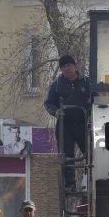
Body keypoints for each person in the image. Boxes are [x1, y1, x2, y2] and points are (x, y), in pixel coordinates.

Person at [43, 55, 93, 189]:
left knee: (91, 153)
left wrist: (90, 111)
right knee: (67, 156)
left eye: (69, 65)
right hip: (65, 126)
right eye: (63, 67)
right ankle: (70, 184)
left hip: (83, 124)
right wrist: (56, 111)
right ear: (61, 69)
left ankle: (90, 179)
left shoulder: (86, 82)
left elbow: (94, 99)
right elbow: (48, 103)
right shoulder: (57, 85)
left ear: (75, 66)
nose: (67, 68)